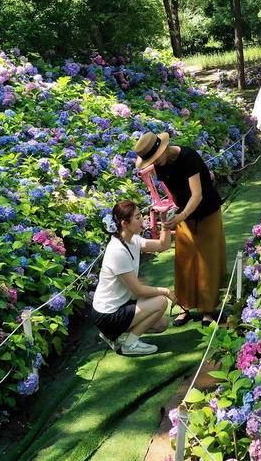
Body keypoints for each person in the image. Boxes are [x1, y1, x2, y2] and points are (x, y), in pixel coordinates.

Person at [133, 131, 225, 327]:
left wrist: (180, 217)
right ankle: (185, 306)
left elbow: (197, 194)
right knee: (184, 260)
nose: (154, 163)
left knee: (207, 260)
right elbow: (176, 195)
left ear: (165, 148)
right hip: (184, 214)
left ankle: (207, 310)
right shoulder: (160, 167)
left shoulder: (188, 157)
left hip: (207, 212)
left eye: (156, 158)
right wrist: (171, 216)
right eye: (151, 160)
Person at [91, 200, 177, 355]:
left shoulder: (133, 240)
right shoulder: (117, 250)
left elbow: (163, 246)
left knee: (161, 324)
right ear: (124, 223)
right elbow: (138, 290)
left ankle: (114, 335)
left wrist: (165, 225)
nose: (142, 221)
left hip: (120, 305)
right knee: (160, 301)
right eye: (137, 218)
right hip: (107, 315)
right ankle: (130, 345)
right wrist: (166, 291)